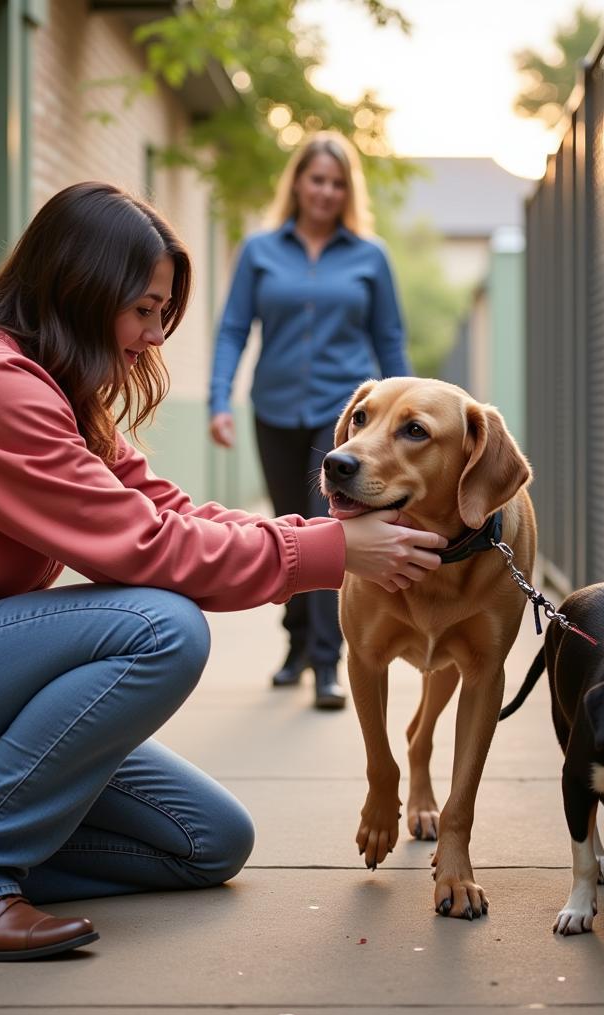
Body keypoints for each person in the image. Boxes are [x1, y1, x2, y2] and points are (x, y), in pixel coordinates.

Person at [0, 182, 448, 962]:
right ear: (80, 288)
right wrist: (332, 556)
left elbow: (167, 507)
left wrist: (323, 536)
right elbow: (146, 547)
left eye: (162, 315)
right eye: (142, 310)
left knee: (206, 843)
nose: (152, 336)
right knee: (160, 626)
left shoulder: (61, 387)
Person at [208, 132, 412, 710]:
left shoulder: (370, 256)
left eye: (337, 182)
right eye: (316, 178)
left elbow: (390, 341)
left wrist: (410, 421)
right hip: (272, 408)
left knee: (329, 525)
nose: (325, 191)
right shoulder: (259, 250)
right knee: (289, 522)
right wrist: (219, 399)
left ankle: (327, 660)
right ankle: (296, 644)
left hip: (340, 414)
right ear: (297, 181)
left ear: (348, 191)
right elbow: (231, 329)